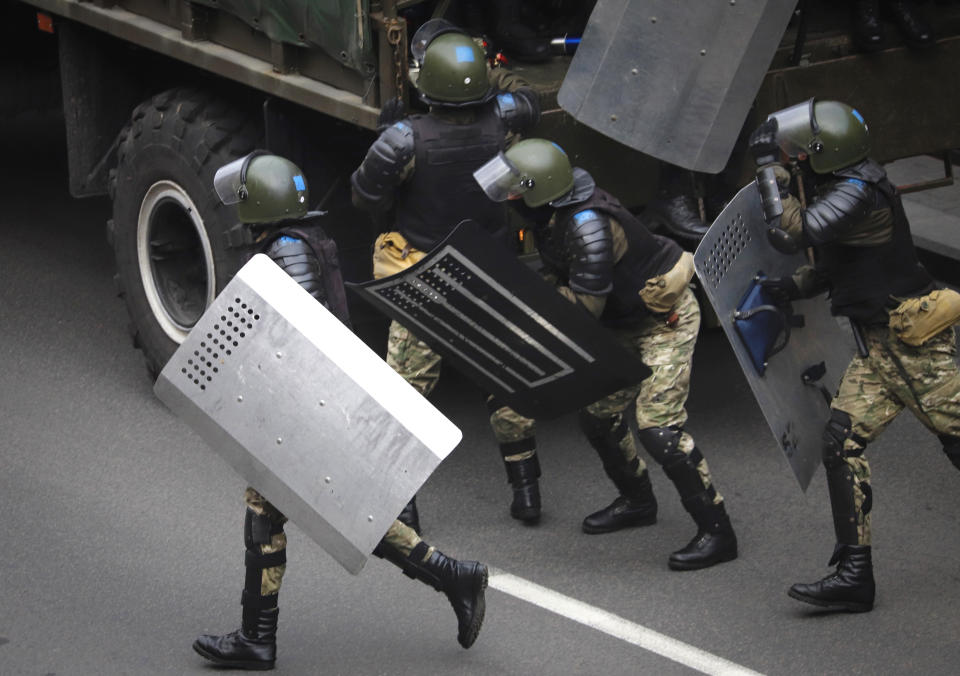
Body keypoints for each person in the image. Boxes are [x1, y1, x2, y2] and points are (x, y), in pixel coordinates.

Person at [194, 153, 489, 671]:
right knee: (342, 517)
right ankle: (452, 576)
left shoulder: (287, 251)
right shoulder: (299, 241)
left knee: (274, 518)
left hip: (306, 409)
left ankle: (256, 641)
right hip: (312, 407)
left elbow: (299, 339)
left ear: (260, 203)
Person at [473, 138, 740, 570]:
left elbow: (581, 310)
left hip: (661, 320)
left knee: (660, 431)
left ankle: (717, 531)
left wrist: (522, 302)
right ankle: (638, 502)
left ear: (539, 190)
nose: (510, 199)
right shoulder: (554, 214)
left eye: (516, 191)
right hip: (622, 320)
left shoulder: (587, 225)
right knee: (597, 416)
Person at [747, 99, 960, 612]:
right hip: (878, 348)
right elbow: (840, 263)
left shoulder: (860, 192)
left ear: (825, 150)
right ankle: (853, 578)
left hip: (915, 345)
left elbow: (792, 231)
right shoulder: (846, 188)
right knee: (841, 445)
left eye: (800, 149)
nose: (794, 154)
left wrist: (767, 168)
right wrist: (790, 287)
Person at [351, 19, 542, 525]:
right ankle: (527, 493)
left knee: (405, 400)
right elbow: (528, 99)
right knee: (505, 384)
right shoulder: (504, 123)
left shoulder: (404, 139)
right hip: (491, 273)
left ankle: (402, 506)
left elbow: (365, 195)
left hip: (426, 281)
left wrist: (383, 136)